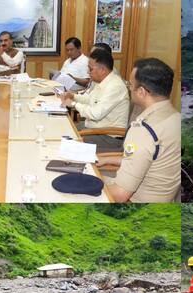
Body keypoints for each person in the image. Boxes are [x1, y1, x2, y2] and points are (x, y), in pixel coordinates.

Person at [96, 58, 179, 203]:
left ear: (141, 91)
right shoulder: (176, 118)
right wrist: (107, 159)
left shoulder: (143, 131)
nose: (129, 88)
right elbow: (145, 160)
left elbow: (119, 195)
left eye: (130, 84)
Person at [61, 49, 129, 136]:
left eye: (90, 69)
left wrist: (74, 104)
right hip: (92, 129)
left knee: (65, 140)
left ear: (102, 70)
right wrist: (73, 96)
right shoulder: (102, 81)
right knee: (62, 128)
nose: (87, 72)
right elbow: (90, 99)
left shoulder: (115, 87)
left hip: (107, 136)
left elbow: (95, 114)